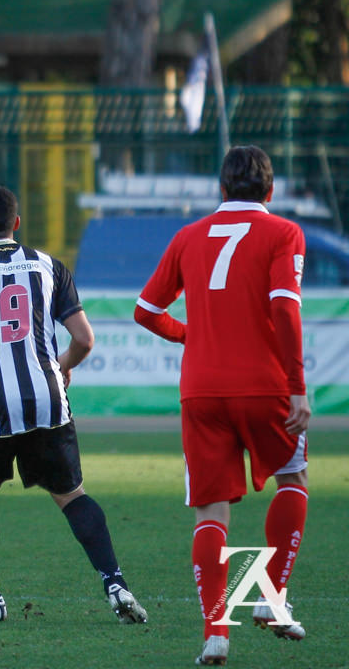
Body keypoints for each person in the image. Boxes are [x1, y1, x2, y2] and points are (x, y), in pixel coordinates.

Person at [0, 185, 147, 625]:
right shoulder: (50, 266)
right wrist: (63, 365)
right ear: (17, 224)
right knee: (70, 495)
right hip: (48, 398)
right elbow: (84, 338)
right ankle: (115, 583)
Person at [134, 145, 310, 666]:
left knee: (211, 511)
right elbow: (284, 306)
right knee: (293, 479)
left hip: (202, 389)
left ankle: (217, 633)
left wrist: (195, 336)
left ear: (222, 190)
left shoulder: (188, 236)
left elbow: (146, 310)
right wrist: (297, 384)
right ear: (270, 192)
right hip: (266, 385)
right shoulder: (283, 233)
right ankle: (271, 599)